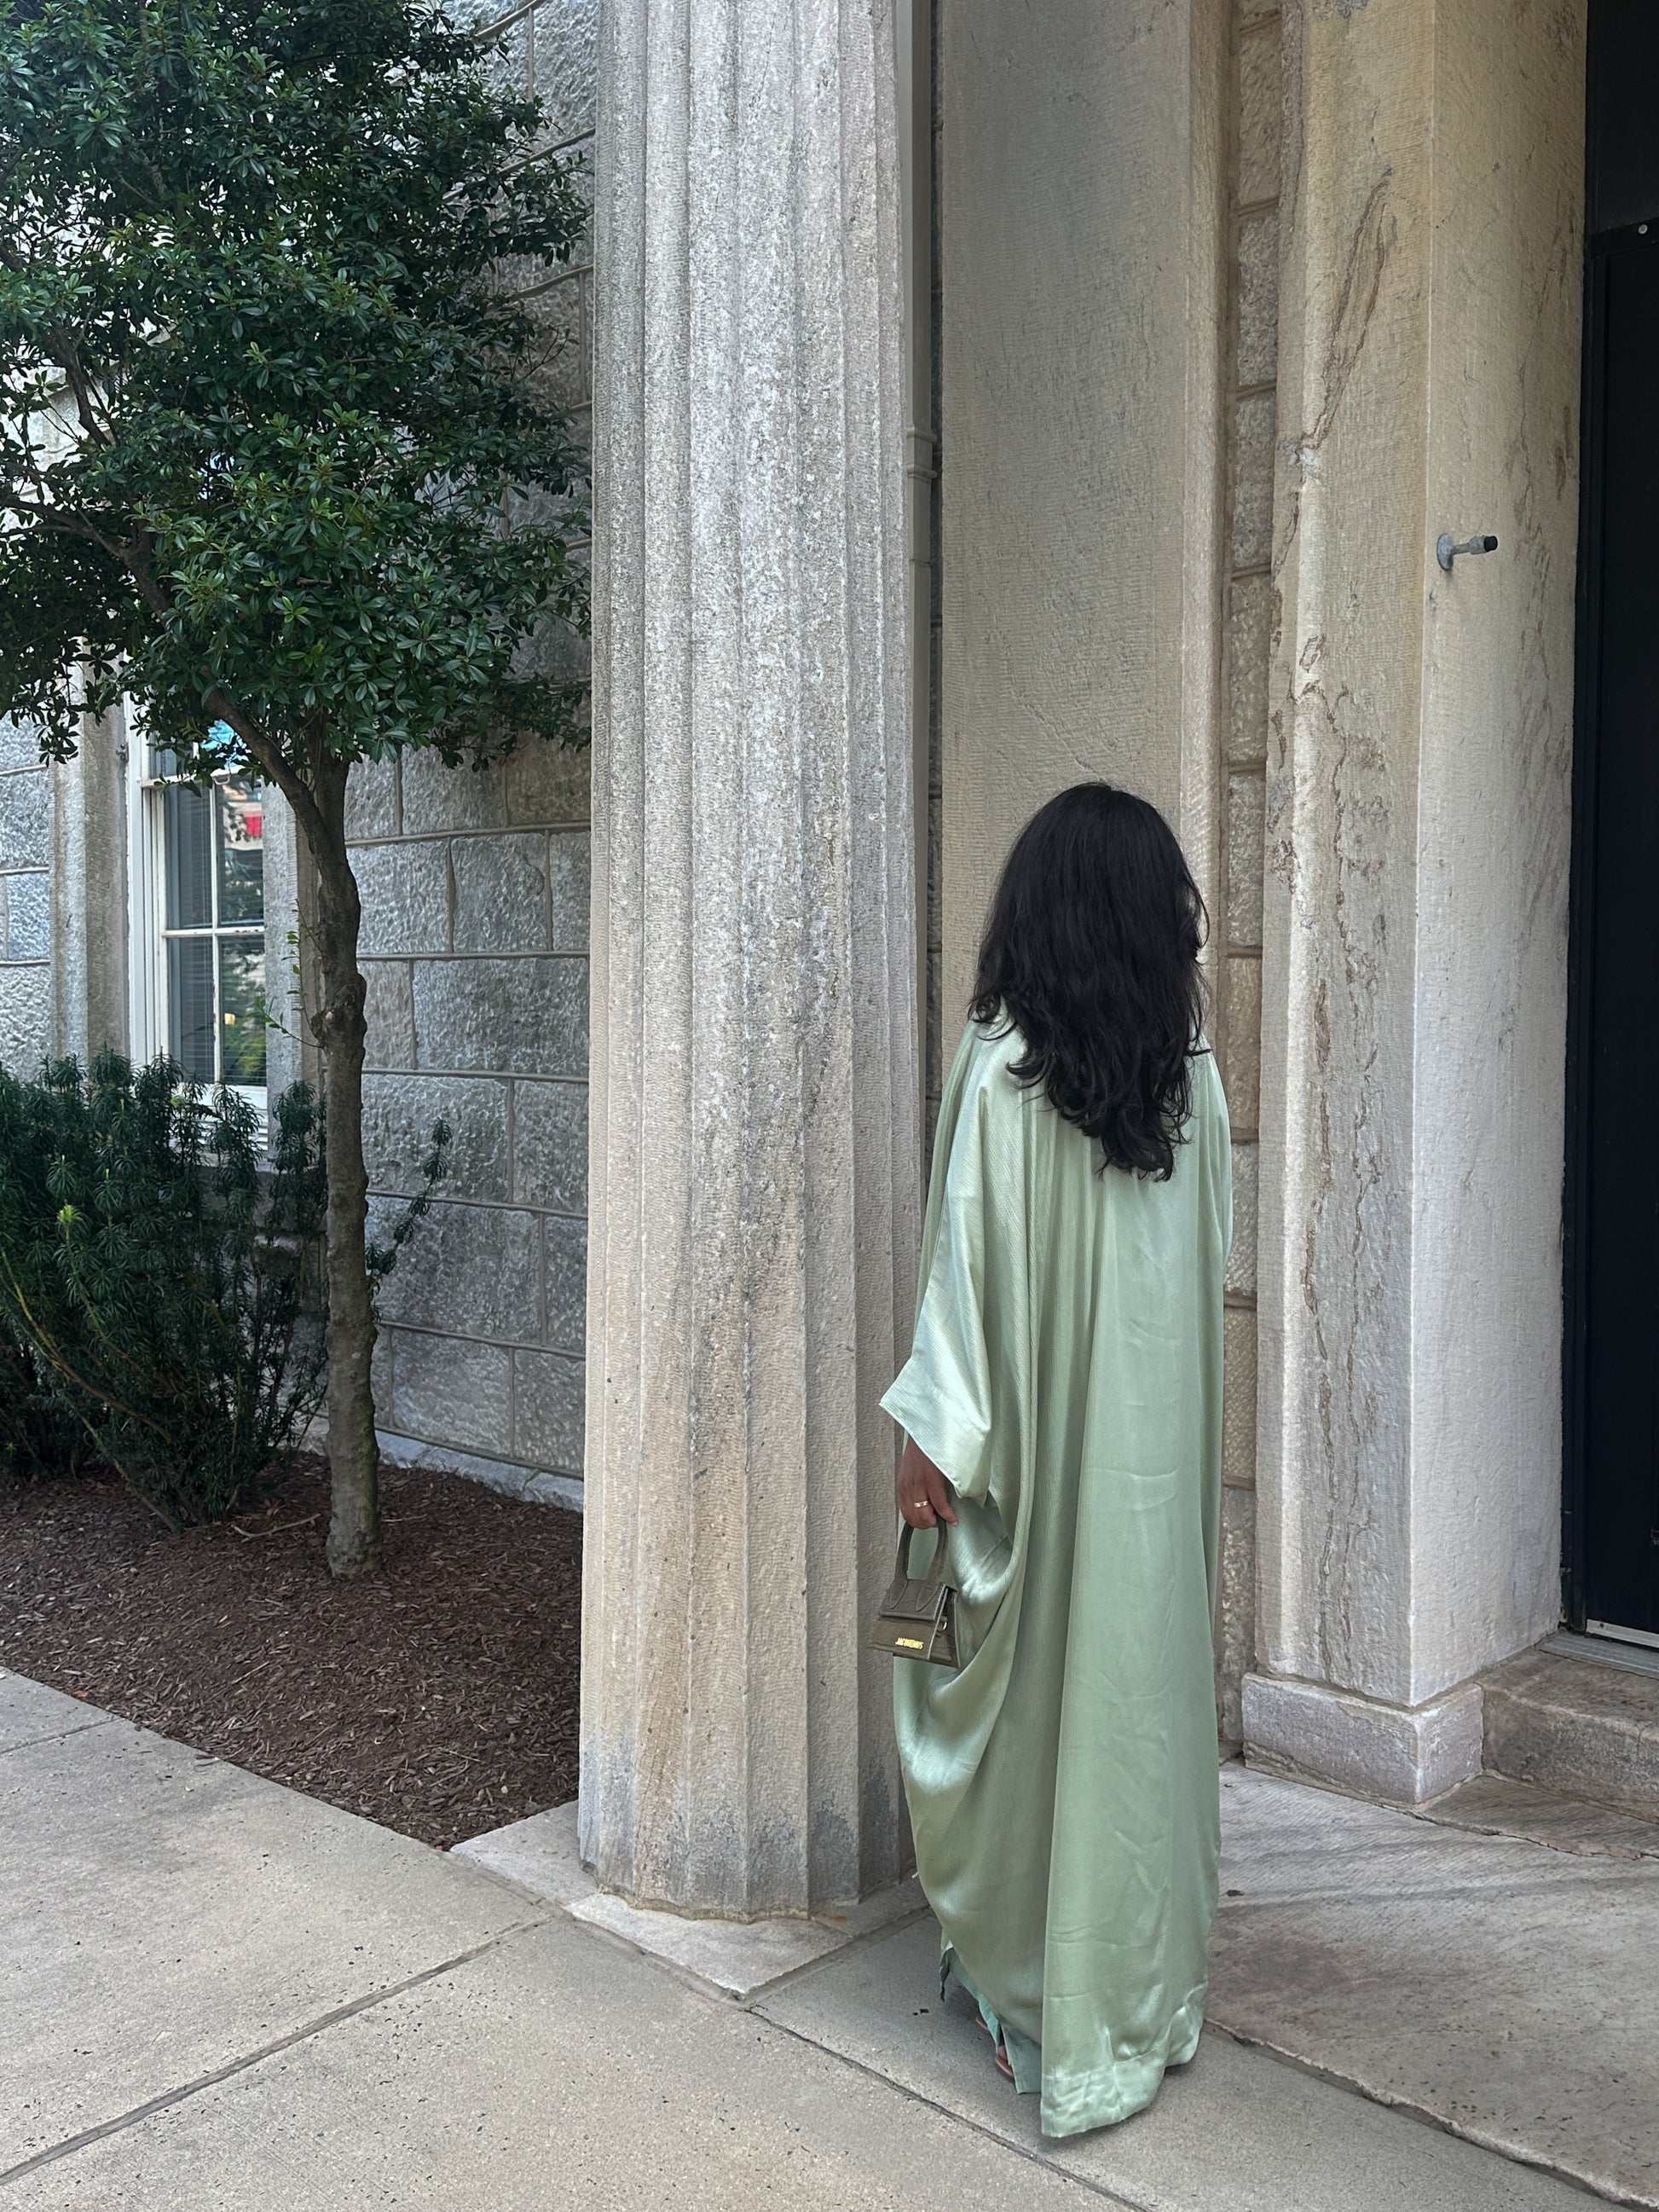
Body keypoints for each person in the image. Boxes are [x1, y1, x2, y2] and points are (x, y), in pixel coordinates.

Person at [881, 781, 1232, 2139]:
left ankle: (1036, 1993)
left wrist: (933, 1440)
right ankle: (1141, 1997)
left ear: (1037, 906)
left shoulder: (1001, 1057)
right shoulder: (1188, 1080)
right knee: (1135, 1723)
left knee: (1013, 1714)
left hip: (1034, 1454)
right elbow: (1205, 1281)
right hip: (1146, 1490)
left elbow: (961, 1271)